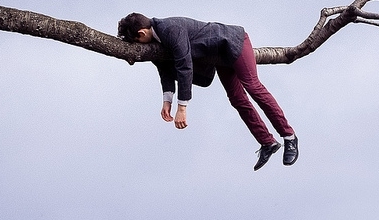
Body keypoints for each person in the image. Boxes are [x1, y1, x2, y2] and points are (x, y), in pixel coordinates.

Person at [118, 13, 298, 170]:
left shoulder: (169, 29)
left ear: (141, 33)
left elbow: (185, 66)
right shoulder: (157, 39)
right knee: (237, 99)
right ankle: (267, 142)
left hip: (234, 43)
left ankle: (289, 137)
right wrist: (167, 100)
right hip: (219, 58)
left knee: (253, 87)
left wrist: (182, 108)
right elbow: (164, 67)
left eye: (136, 41)